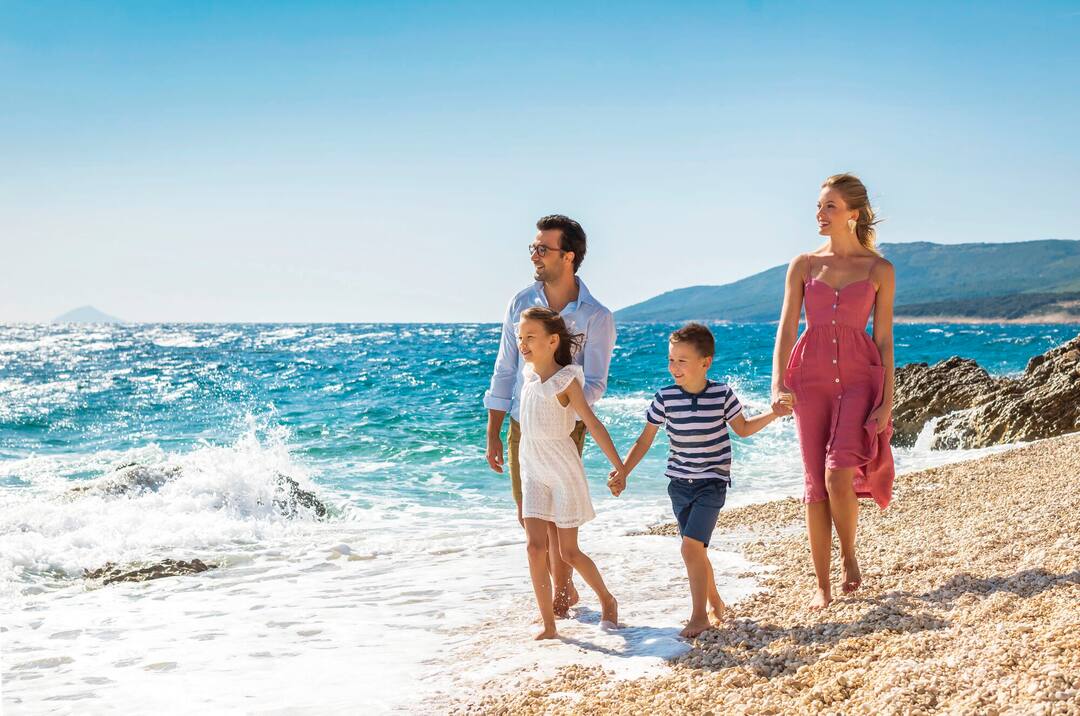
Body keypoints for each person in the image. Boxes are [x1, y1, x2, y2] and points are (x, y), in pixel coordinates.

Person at [609, 323, 788, 637]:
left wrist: (773, 413)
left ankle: (698, 617)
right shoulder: (665, 398)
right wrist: (623, 471)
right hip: (679, 485)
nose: (674, 367)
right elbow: (644, 441)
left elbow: (743, 429)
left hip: (711, 483)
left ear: (705, 362)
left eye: (682, 360)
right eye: (671, 360)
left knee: (690, 549)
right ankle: (715, 601)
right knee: (696, 550)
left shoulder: (721, 394)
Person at [771, 173, 896, 611]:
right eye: (819, 205)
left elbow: (884, 340)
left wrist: (887, 400)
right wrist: (778, 383)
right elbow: (787, 327)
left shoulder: (879, 270)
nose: (820, 214)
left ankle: (849, 554)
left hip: (861, 379)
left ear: (852, 214)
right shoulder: (804, 265)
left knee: (838, 471)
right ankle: (822, 584)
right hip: (810, 380)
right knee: (815, 482)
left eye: (830, 206)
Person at [483, 215, 616, 617]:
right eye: (533, 248)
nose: (535, 255)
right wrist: (493, 431)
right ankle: (560, 593)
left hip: (565, 427)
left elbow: (595, 382)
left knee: (561, 519)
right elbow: (505, 368)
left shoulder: (596, 316)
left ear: (568, 256)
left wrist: (561, 399)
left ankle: (562, 593)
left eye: (543, 248)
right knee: (530, 519)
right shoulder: (520, 303)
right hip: (522, 426)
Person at [515, 307, 625, 639]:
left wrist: (619, 466)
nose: (523, 343)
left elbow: (592, 423)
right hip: (532, 467)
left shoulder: (566, 381)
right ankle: (549, 623)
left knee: (568, 552)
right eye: (520, 337)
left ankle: (607, 600)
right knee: (534, 548)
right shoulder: (528, 376)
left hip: (562, 469)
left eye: (530, 337)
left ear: (552, 341)